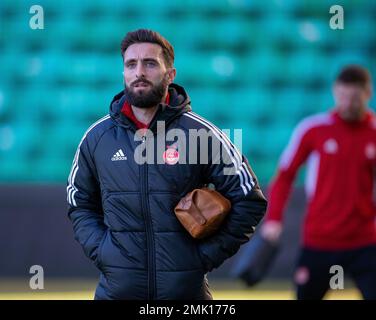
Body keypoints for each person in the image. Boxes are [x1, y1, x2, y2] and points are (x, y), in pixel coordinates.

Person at [66, 29, 267, 300]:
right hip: (117, 291)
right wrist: (104, 251)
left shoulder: (202, 135)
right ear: (123, 73)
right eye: (131, 64)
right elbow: (80, 203)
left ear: (170, 75)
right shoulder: (97, 138)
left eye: (150, 63)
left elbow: (249, 199)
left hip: (185, 293)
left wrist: (201, 258)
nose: (139, 72)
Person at [261, 65, 376, 299]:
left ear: (367, 94)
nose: (348, 103)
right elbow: (284, 176)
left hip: (365, 240)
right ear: (335, 92)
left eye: (354, 97)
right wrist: (273, 219)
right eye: (343, 96)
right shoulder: (313, 129)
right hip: (320, 239)